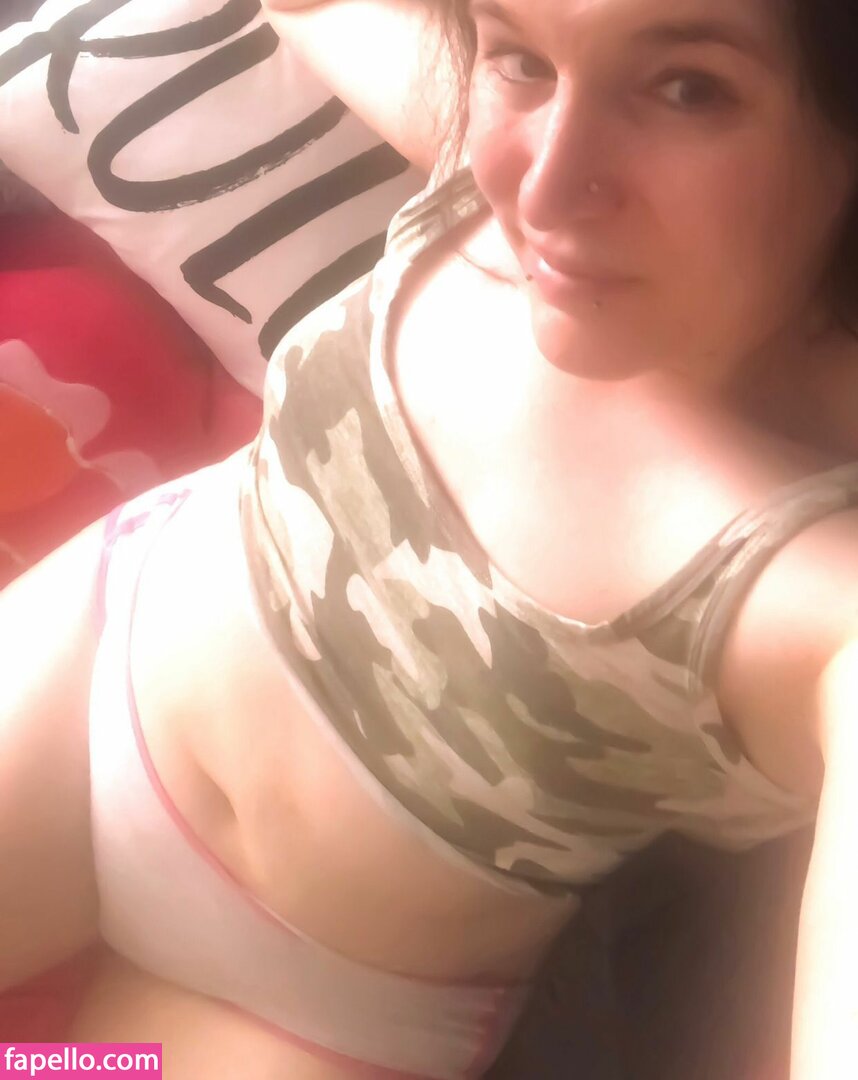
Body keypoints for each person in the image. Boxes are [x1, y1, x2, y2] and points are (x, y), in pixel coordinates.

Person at [2, 0, 857, 1077]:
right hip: (96, 671)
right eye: (521, 57)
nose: (541, 189)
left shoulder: (823, 590)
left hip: (297, 999)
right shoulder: (491, 161)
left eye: (689, 90)